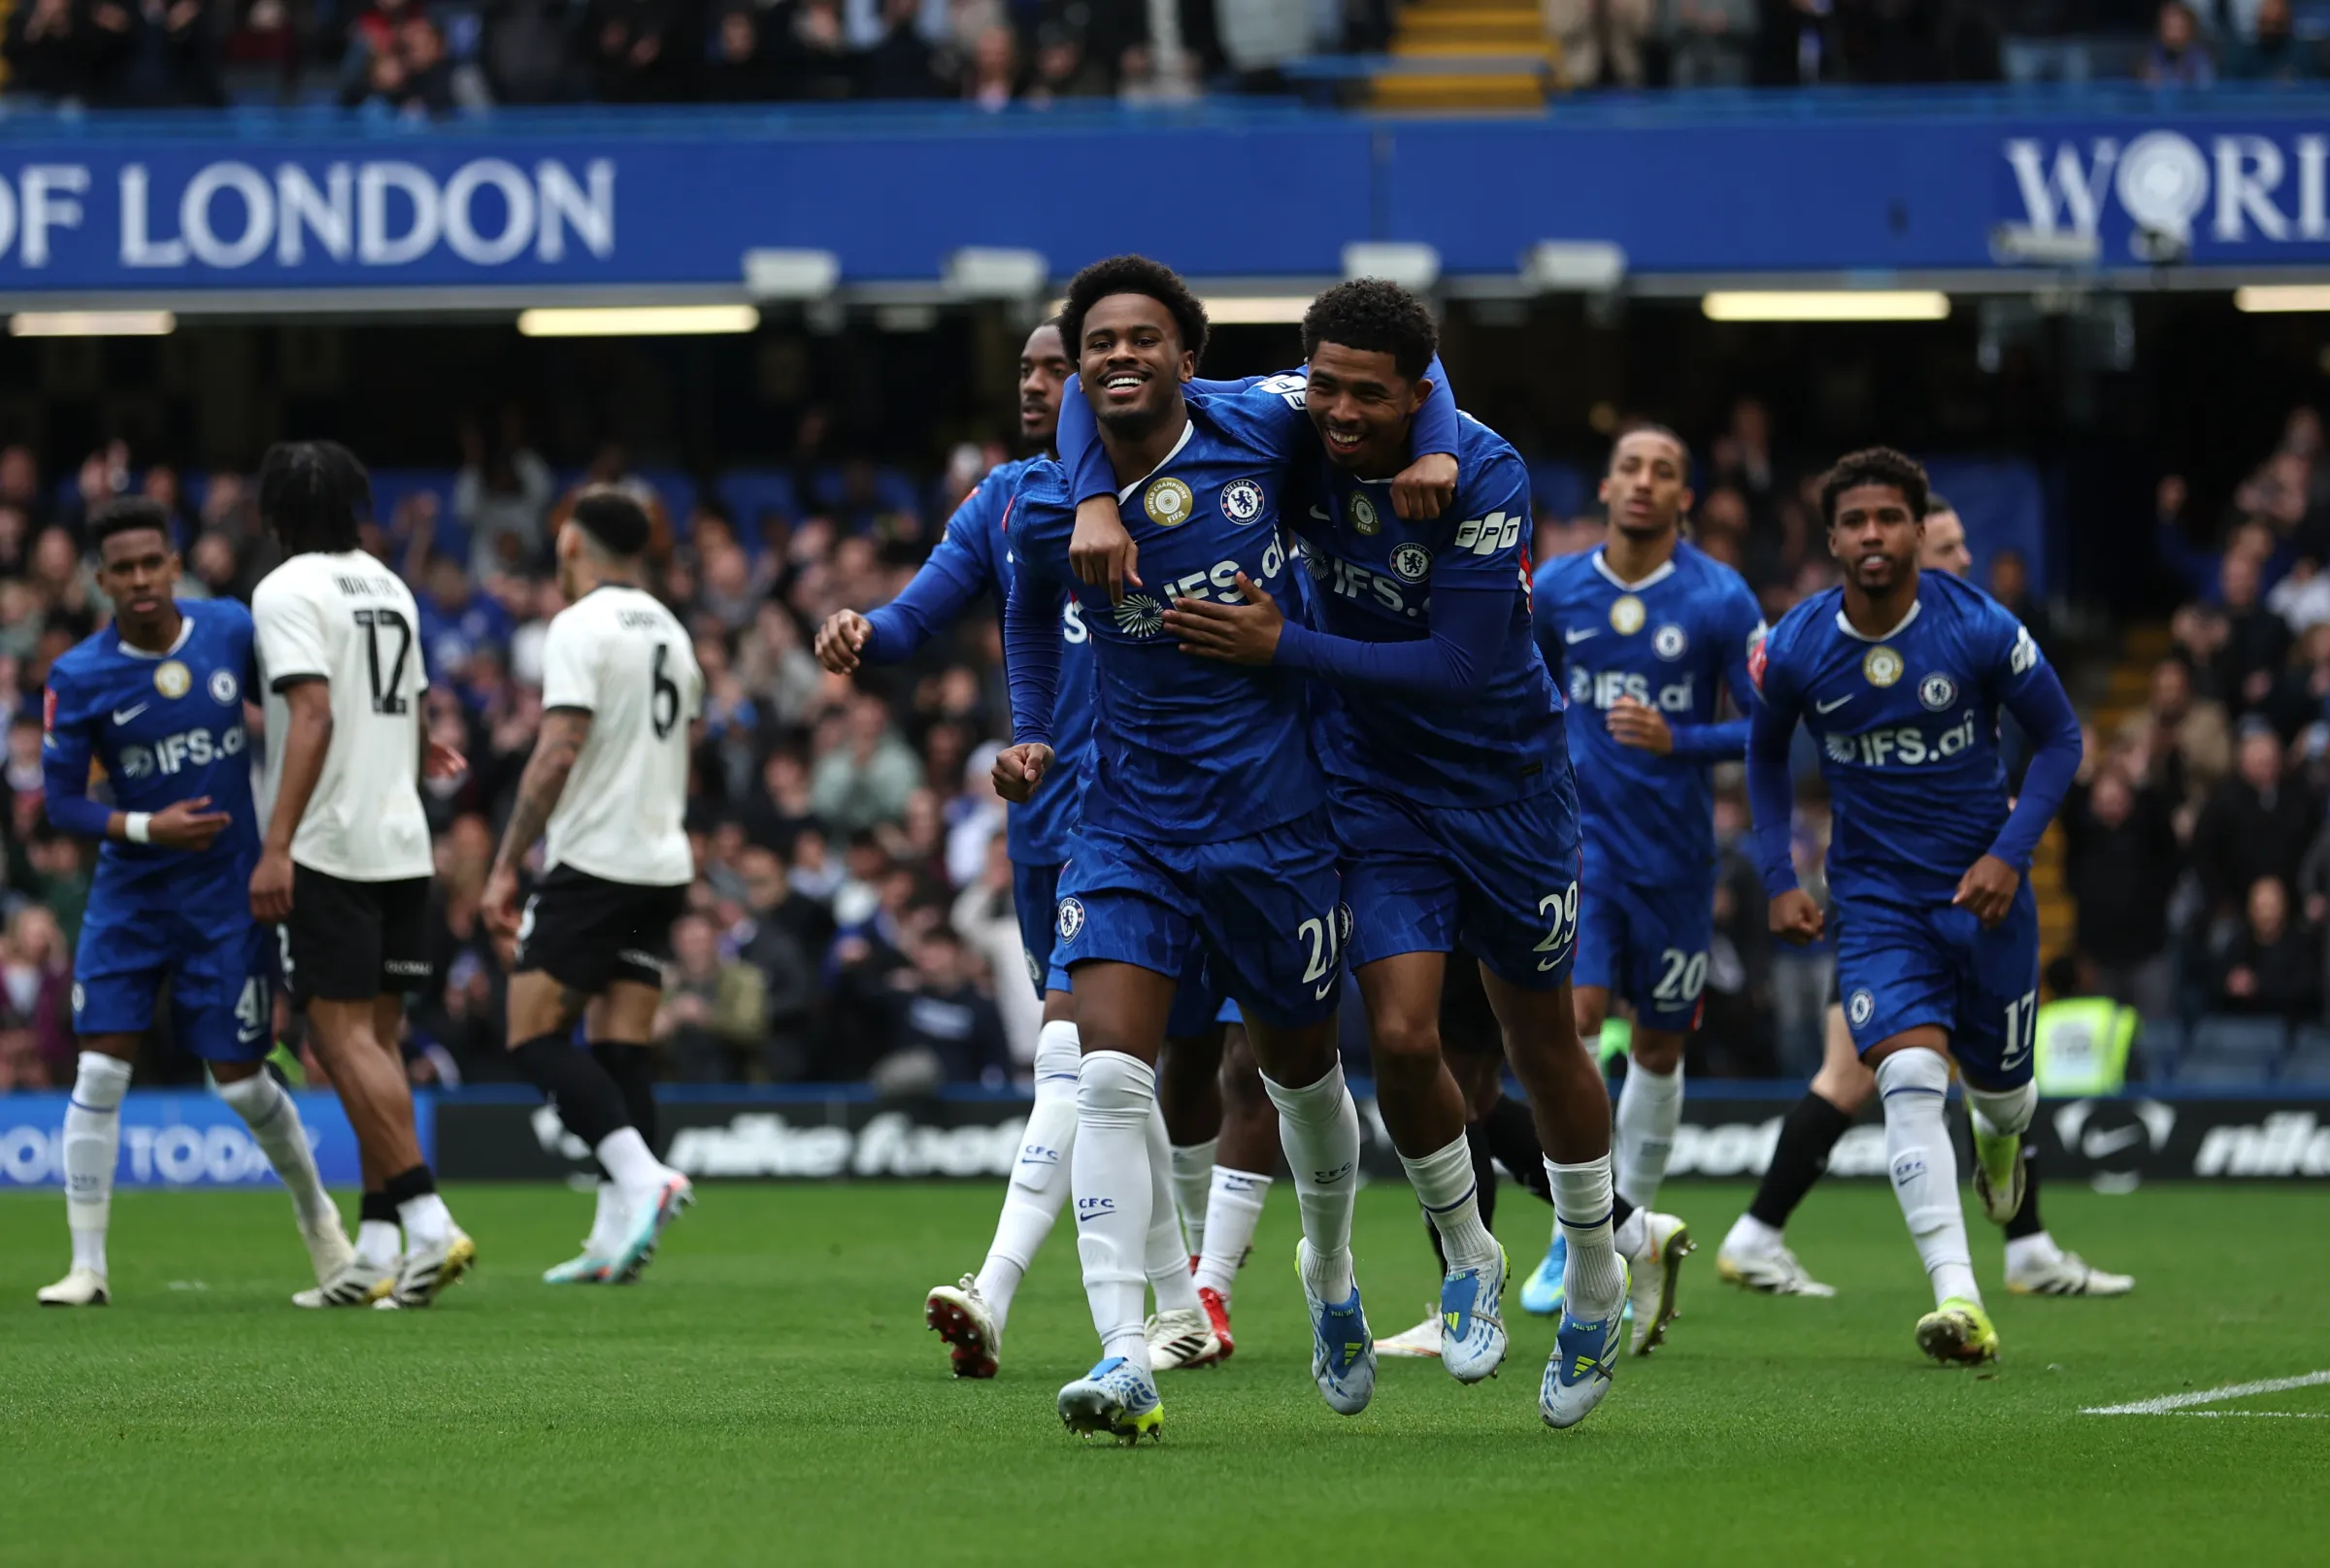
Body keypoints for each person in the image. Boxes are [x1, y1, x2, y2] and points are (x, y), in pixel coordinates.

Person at [1054, 275, 1634, 1429]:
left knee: (1540, 1037)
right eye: (1323, 386)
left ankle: (1599, 1275)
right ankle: (1467, 1253)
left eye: (1370, 396)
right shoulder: (1284, 421)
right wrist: (1091, 500)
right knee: (1406, 1036)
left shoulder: (1486, 472)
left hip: (1509, 786)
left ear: (1419, 397)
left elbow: (1463, 669)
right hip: (1369, 787)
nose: (1340, 414)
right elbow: (1109, 388)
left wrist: (1288, 645)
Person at [995, 257, 1378, 1442]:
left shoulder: (1261, 424)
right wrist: (1027, 719)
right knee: (1107, 1071)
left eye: (1142, 339)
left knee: (1298, 1075)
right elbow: (1023, 603)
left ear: (1188, 357)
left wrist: (1435, 449)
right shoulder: (1058, 501)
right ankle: (1124, 1356)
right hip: (1129, 822)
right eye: (1096, 341)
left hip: (1274, 824)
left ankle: (1327, 1271)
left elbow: (1407, 357)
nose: (1118, 356)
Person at [816, 322, 1235, 1378]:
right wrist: (863, 630)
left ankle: (997, 1286)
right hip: (1047, 827)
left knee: (1084, 1061)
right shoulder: (1005, 499)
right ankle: (1180, 1306)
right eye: (1028, 369)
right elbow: (917, 617)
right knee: (1109, 1075)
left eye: (1060, 367)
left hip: (1158, 818)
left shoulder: (1182, 483)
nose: (1040, 384)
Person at [1716, 502, 2134, 1299]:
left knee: (1974, 1088)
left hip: (1975, 894)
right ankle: (1948, 1271)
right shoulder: (1841, 642)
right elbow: (1773, 745)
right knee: (1884, 1074)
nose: (1963, 557)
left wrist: (2008, 835)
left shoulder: (1980, 636)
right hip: (1883, 899)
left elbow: (2050, 739)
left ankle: (2021, 1238)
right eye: (1948, 546)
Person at [33, 499, 350, 1307]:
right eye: (123, 569)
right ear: (100, 579)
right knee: (101, 1069)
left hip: (227, 896)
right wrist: (147, 824)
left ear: (174, 565)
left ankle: (320, 1222)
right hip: (131, 897)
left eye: (152, 563)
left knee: (242, 1082)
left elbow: (301, 704)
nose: (140, 580)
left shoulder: (231, 630)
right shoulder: (78, 676)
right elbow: (61, 804)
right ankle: (87, 1267)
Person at [1523, 424, 1762, 1342]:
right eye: (1631, 466)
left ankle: (1636, 1229)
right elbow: (1520, 692)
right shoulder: (1561, 587)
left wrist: (1682, 741)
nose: (1644, 482)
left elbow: (1768, 724)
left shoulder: (1719, 596)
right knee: (1573, 1021)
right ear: (1609, 481)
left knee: (1659, 1049)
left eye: (1665, 470)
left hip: (1676, 859)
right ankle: (1576, 1229)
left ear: (1685, 495)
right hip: (1579, 848)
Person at [249, 441, 474, 1310]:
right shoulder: (389, 583)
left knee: (339, 1041)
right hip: (402, 836)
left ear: (275, 515)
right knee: (374, 1042)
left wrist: (277, 844)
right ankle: (380, 1246)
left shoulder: (285, 589)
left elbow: (311, 713)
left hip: (332, 842)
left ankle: (425, 1219)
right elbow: (410, 703)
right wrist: (423, 747)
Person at [480, 487, 703, 1284]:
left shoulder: (576, 626)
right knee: (620, 1048)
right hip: (660, 864)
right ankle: (618, 1239)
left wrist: (507, 860)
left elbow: (558, 745)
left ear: (571, 543)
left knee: (531, 1033)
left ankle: (644, 1178)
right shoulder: (673, 634)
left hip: (596, 862)